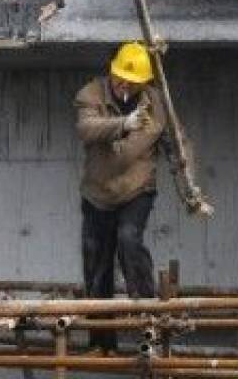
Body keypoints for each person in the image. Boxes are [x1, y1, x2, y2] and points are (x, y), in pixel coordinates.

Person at [74, 41, 168, 353]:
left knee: (129, 239)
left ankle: (149, 325)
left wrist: (191, 190)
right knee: (97, 263)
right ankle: (101, 342)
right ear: (112, 71)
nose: (124, 85)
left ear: (144, 83)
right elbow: (86, 128)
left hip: (137, 189)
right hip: (98, 193)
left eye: (133, 82)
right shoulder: (91, 93)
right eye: (120, 79)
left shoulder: (157, 102)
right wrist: (124, 124)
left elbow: (177, 144)